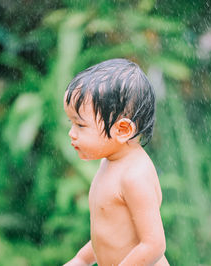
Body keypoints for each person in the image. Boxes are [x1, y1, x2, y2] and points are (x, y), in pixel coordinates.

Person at [63, 58, 169, 266]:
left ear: (122, 130)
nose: (71, 133)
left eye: (80, 125)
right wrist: (82, 260)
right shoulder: (110, 163)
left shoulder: (134, 176)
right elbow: (110, 234)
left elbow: (154, 244)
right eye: (71, 123)